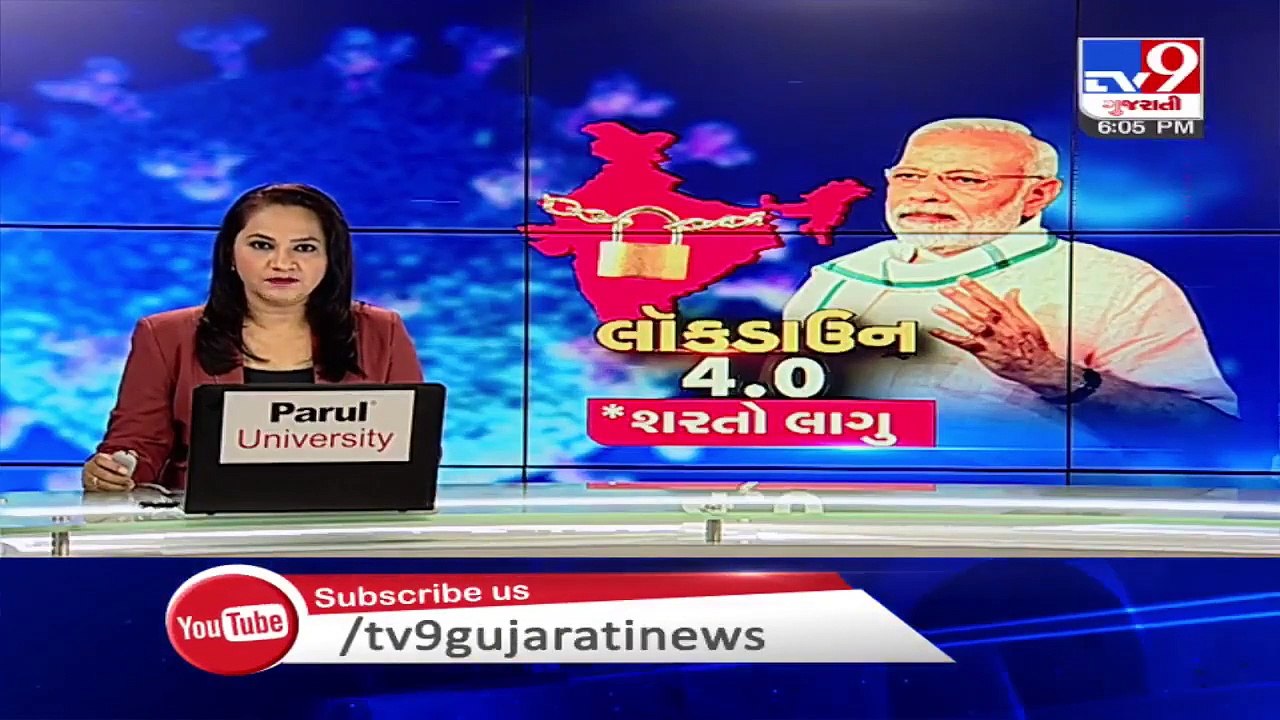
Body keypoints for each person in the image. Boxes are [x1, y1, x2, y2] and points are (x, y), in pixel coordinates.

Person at [782, 118, 1238, 444]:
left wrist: (1050, 375)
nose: (924, 193)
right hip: (848, 511)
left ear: (1038, 194)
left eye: (964, 179)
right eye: (909, 176)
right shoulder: (837, 280)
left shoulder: (1117, 283)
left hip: (1032, 529)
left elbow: (1210, 431)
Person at [82, 183, 424, 492]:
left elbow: (415, 447)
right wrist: (115, 470)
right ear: (230, 253)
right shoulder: (165, 336)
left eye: (304, 248)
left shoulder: (383, 332)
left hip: (347, 527)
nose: (282, 263)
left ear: (330, 259)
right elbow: (138, 443)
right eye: (262, 245)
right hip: (209, 535)